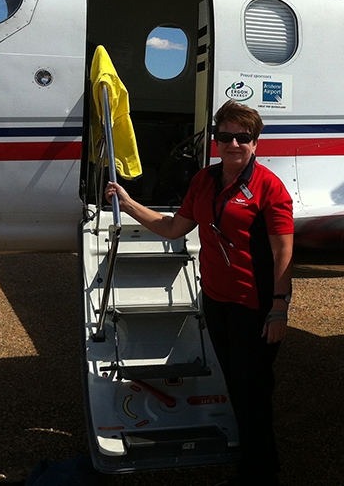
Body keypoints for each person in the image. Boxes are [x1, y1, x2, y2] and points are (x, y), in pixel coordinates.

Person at [106, 100, 293, 486]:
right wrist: (129, 203)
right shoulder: (204, 181)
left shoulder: (269, 187)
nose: (234, 144)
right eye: (226, 136)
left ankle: (260, 473)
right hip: (218, 302)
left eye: (243, 137)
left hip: (255, 306)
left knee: (252, 390)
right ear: (216, 140)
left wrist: (279, 308)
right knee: (240, 389)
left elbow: (282, 251)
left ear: (256, 143)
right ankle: (259, 463)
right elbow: (174, 227)